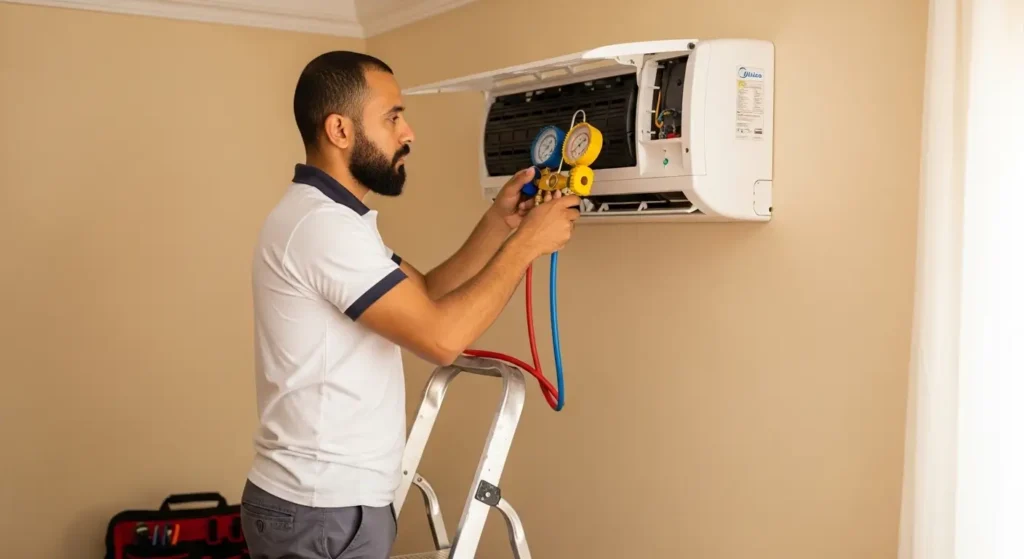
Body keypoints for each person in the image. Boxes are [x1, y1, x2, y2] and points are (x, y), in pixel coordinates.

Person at [240, 51, 580, 559]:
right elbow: (441, 338)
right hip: (323, 511)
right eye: (393, 116)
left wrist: (499, 225)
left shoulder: (335, 221)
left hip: (320, 507)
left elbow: (426, 296)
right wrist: (529, 244)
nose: (408, 133)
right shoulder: (323, 228)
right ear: (340, 130)